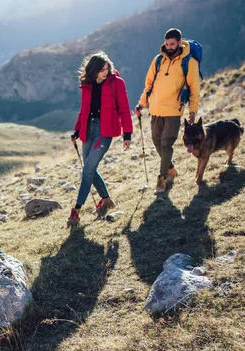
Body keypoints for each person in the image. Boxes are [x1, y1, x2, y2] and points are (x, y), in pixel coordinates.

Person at [67, 51, 133, 227]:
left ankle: (76, 211)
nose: (106, 72)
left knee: (88, 169)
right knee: (90, 169)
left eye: (107, 69)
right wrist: (76, 130)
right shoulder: (88, 85)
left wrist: (127, 134)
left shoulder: (117, 83)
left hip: (105, 130)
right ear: (94, 70)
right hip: (88, 129)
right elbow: (84, 110)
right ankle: (107, 200)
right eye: (102, 70)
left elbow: (125, 108)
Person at [135, 28, 200, 194]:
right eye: (167, 44)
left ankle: (162, 180)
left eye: (172, 44)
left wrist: (193, 110)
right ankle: (170, 169)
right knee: (157, 142)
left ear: (179, 42)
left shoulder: (189, 62)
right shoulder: (158, 60)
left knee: (166, 144)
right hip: (155, 109)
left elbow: (194, 89)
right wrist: (141, 104)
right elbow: (148, 84)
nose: (169, 47)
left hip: (173, 111)